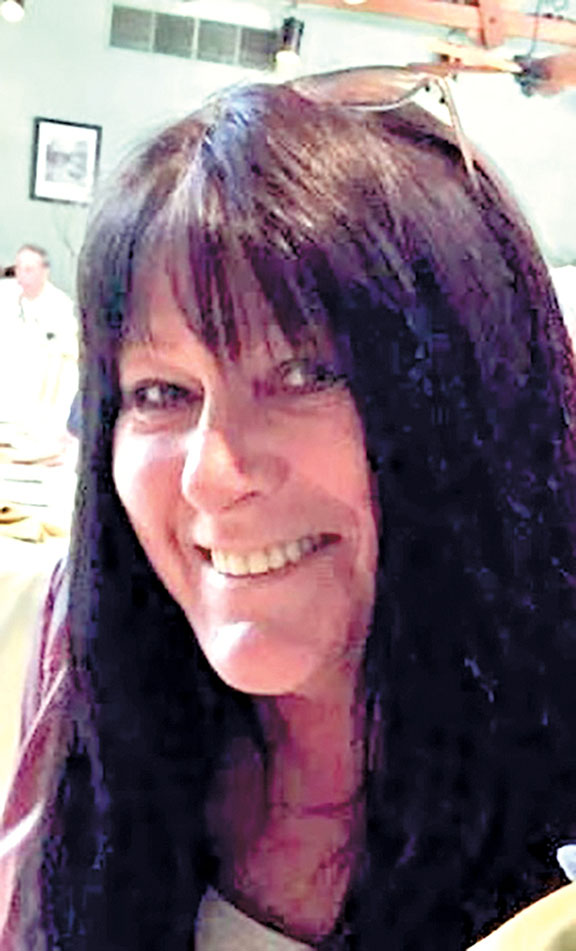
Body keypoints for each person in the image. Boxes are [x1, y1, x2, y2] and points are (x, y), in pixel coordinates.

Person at [2, 66, 576, 951]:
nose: (211, 474)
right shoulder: (95, 672)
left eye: (306, 373)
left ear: (476, 401)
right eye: (160, 392)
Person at [0, 244, 78, 432]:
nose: (21, 276)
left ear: (44, 272)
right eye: (18, 269)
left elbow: (68, 367)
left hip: (38, 405)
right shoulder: (5, 294)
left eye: (29, 270)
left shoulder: (61, 309)